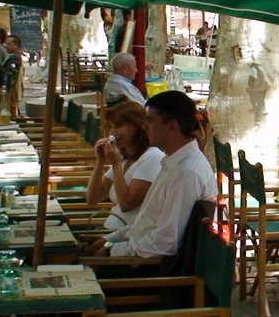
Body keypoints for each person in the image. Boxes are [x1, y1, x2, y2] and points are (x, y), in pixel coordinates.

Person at [90, 91, 216, 257]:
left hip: (151, 269)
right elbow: (144, 225)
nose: (144, 126)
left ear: (171, 125)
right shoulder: (172, 162)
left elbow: (165, 243)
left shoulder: (186, 172)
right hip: (138, 252)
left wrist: (110, 251)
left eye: (150, 120)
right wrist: (109, 239)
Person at [85, 101, 165, 238]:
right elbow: (93, 197)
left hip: (126, 236)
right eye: (111, 127)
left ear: (137, 126)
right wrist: (100, 161)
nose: (112, 132)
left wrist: (116, 165)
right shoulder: (126, 159)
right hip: (107, 230)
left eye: (118, 126)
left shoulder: (152, 157)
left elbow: (126, 204)